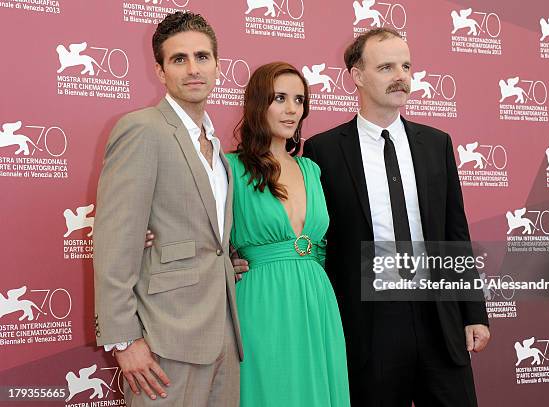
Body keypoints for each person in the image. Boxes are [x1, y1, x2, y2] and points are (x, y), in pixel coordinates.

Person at [301, 28, 490, 406]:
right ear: (356, 76)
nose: (400, 76)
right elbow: (321, 239)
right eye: (386, 67)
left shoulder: (437, 143)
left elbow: (455, 233)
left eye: (406, 66)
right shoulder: (323, 150)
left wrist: (474, 311)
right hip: (370, 324)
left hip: (439, 317)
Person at [94, 12, 242, 407]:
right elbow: (115, 241)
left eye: (202, 57)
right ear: (160, 71)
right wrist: (124, 341)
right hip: (164, 337)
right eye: (179, 59)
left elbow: (205, 235)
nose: (193, 69)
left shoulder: (217, 145)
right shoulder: (142, 129)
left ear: (217, 65)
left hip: (223, 334)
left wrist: (229, 260)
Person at [227, 62, 350, 406]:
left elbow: (324, 246)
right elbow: (204, 234)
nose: (291, 109)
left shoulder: (311, 168)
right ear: (257, 104)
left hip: (316, 300)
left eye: (299, 99)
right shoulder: (231, 168)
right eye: (279, 98)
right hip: (261, 301)